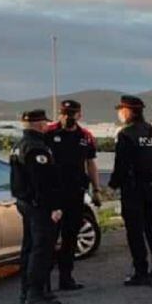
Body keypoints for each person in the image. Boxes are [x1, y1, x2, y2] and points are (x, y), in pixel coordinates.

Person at [108, 95, 152, 286]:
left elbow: (121, 165)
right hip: (151, 188)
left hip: (133, 188)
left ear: (128, 111)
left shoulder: (126, 135)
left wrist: (111, 186)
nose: (119, 114)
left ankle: (140, 271)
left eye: (121, 110)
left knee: (135, 231)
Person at [10, 109, 63, 304]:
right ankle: (35, 293)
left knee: (29, 247)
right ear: (40, 124)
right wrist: (54, 207)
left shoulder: (18, 146)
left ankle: (27, 290)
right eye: (45, 123)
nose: (47, 126)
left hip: (25, 203)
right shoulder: (37, 148)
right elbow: (42, 182)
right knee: (41, 249)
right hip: (39, 205)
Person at [46, 99, 101, 291]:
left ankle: (66, 278)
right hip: (54, 195)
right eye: (64, 113)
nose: (67, 117)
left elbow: (91, 163)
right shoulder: (49, 132)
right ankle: (44, 283)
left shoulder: (85, 136)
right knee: (50, 238)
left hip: (76, 194)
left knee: (70, 237)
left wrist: (96, 190)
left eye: (71, 114)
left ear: (79, 115)